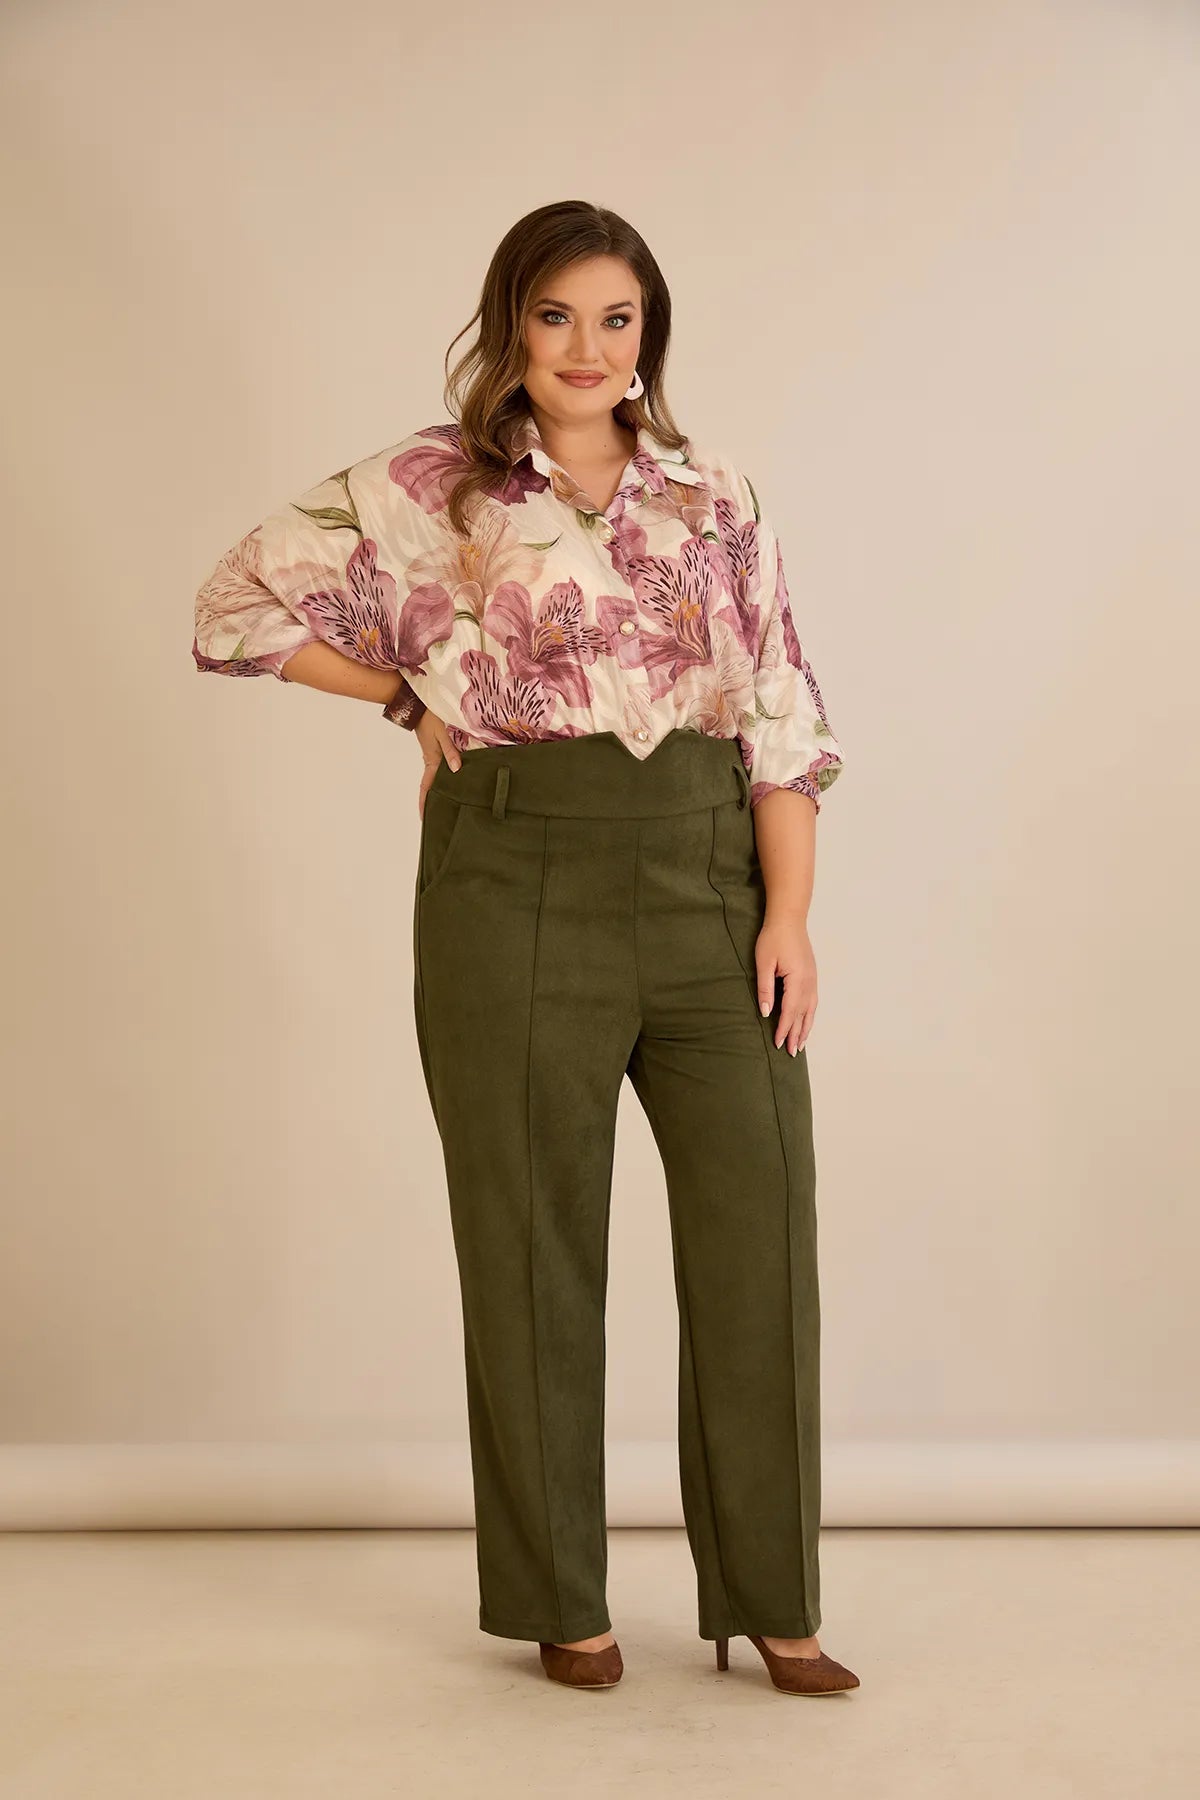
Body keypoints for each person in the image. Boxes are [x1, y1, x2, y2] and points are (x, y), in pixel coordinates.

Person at [192, 199, 859, 1697]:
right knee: (532, 1242)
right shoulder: (436, 486)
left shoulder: (715, 493)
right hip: (514, 878)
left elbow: (780, 715)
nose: (587, 347)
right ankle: (565, 1598)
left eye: (616, 318)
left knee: (760, 1234)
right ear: (513, 326)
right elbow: (234, 605)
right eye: (557, 316)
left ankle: (775, 1599)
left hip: (708, 879)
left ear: (649, 335)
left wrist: (789, 916)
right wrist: (402, 696)